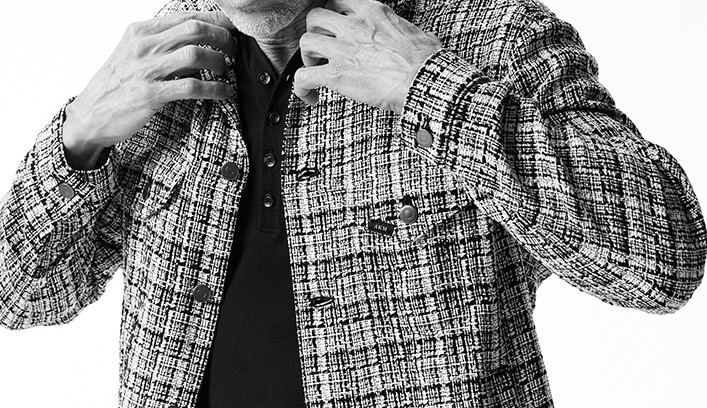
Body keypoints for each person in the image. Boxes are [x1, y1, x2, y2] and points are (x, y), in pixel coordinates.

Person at [0, 0, 705, 407]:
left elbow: (662, 262)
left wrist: (433, 89)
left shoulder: (489, 36)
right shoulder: (167, 53)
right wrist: (80, 132)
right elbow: (20, 295)